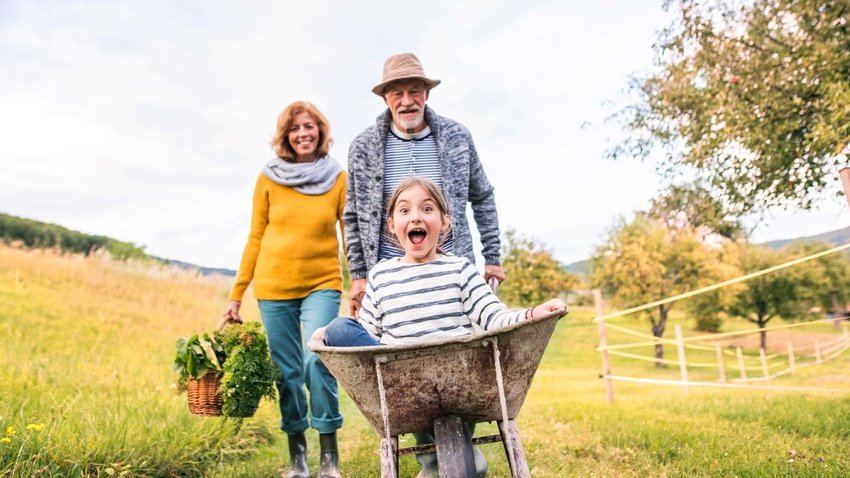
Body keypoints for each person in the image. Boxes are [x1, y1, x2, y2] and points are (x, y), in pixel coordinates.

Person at [314, 179, 565, 478]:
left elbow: (493, 318)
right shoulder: (382, 275)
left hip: (461, 381)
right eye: (405, 210)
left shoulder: (460, 269)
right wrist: (331, 335)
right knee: (341, 326)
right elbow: (368, 333)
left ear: (444, 222)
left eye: (427, 208)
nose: (416, 217)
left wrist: (535, 313)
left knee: (450, 446)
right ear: (392, 225)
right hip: (399, 384)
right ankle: (454, 463)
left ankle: (452, 463)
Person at [222, 101, 346, 478]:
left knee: (317, 359)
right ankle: (298, 460)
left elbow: (350, 232)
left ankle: (330, 461)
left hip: (322, 282)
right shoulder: (268, 178)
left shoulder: (337, 177)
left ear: (320, 131)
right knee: (286, 372)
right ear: (285, 136)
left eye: (309, 126)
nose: (303, 133)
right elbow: (255, 235)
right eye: (295, 128)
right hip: (273, 286)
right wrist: (237, 292)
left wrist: (361, 281)